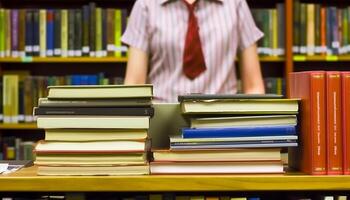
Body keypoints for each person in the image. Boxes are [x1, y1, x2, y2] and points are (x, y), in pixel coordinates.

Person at [122, 0, 265, 102]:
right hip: (162, 123)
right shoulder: (145, 5)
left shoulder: (236, 4)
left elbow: (254, 87)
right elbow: (134, 86)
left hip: (222, 123)